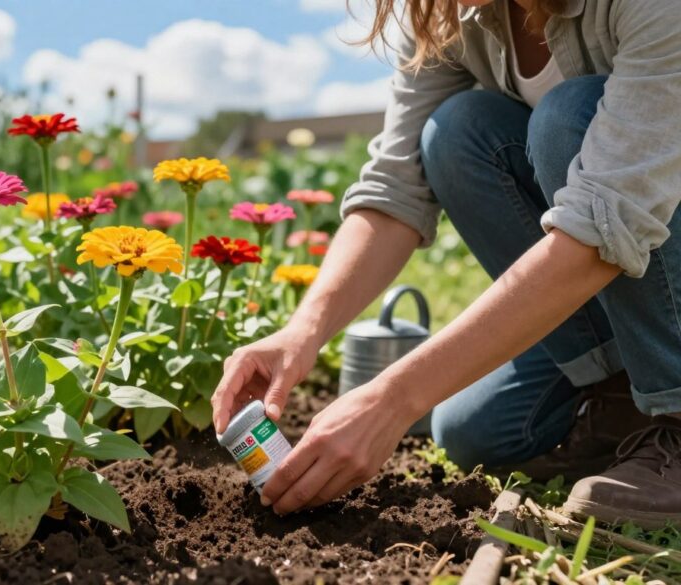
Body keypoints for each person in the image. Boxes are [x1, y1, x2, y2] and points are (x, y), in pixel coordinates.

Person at [211, 0, 681, 528]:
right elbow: (395, 188)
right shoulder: (451, 13)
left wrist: (393, 398)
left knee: (568, 117)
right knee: (456, 132)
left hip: (655, 233)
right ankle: (619, 395)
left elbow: (604, 221)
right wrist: (302, 332)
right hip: (622, 260)